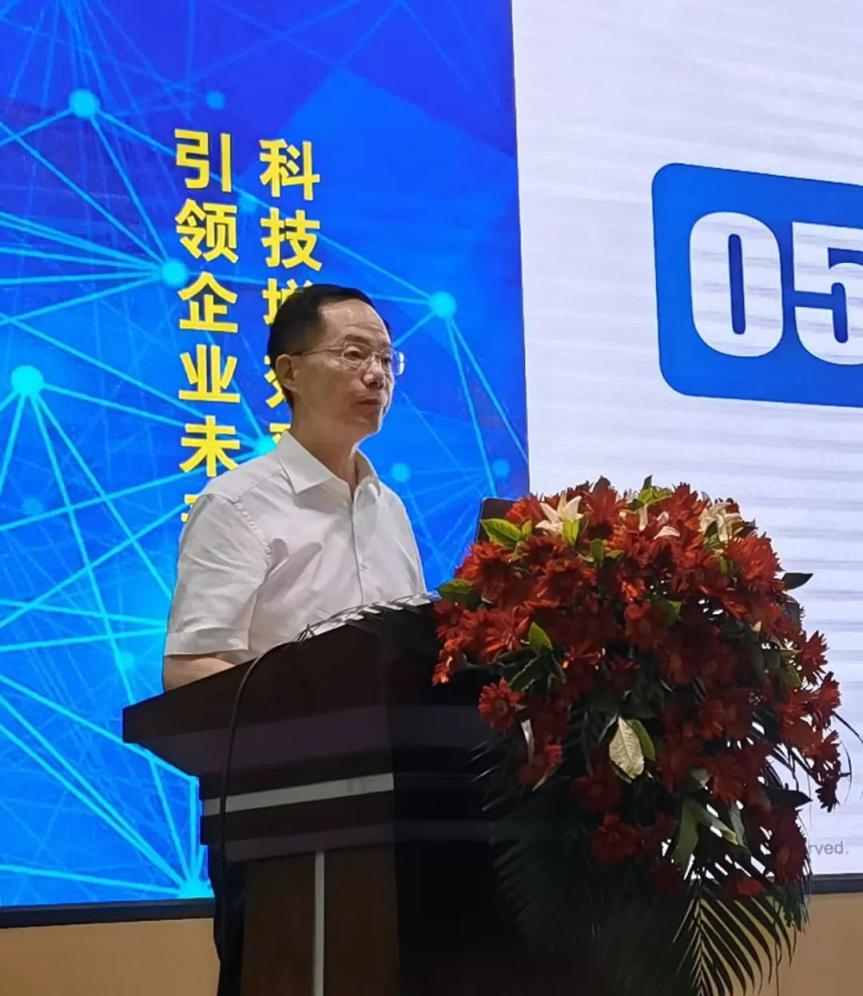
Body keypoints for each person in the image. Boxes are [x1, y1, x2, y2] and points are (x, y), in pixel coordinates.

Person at [162, 284, 426, 994]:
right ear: (289, 372)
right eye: (353, 354)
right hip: (278, 821)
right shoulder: (238, 504)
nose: (375, 375)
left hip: (389, 818)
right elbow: (190, 670)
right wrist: (316, 716)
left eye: (386, 359)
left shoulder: (390, 509)